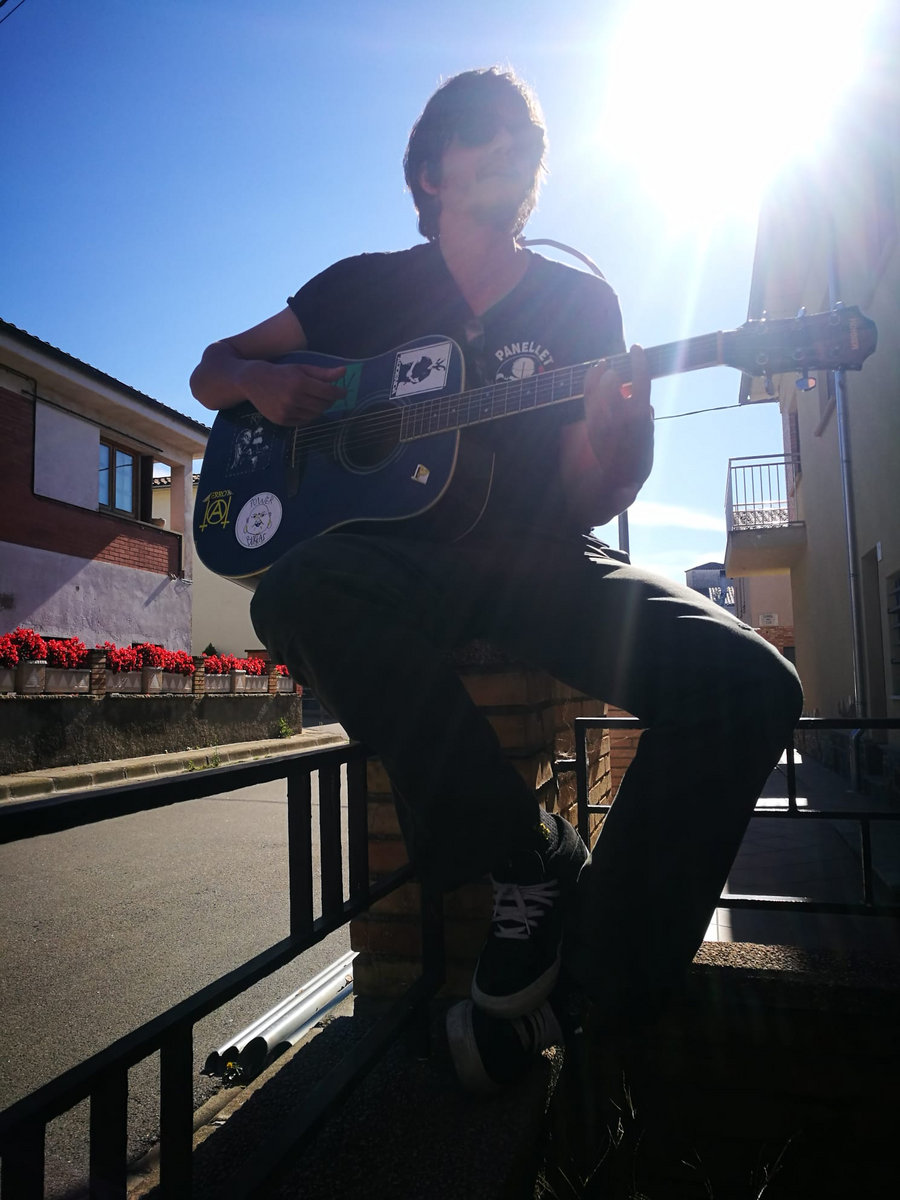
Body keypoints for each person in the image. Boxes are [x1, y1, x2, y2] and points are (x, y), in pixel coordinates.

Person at [190, 67, 803, 1094]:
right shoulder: (361, 287)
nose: (505, 151)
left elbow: (596, 486)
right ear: (429, 172)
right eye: (481, 134)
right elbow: (212, 368)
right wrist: (260, 381)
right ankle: (528, 851)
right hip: (402, 563)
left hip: (542, 556)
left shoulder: (578, 302)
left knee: (753, 684)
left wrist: (620, 443)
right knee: (291, 590)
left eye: (521, 141)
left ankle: (593, 988)